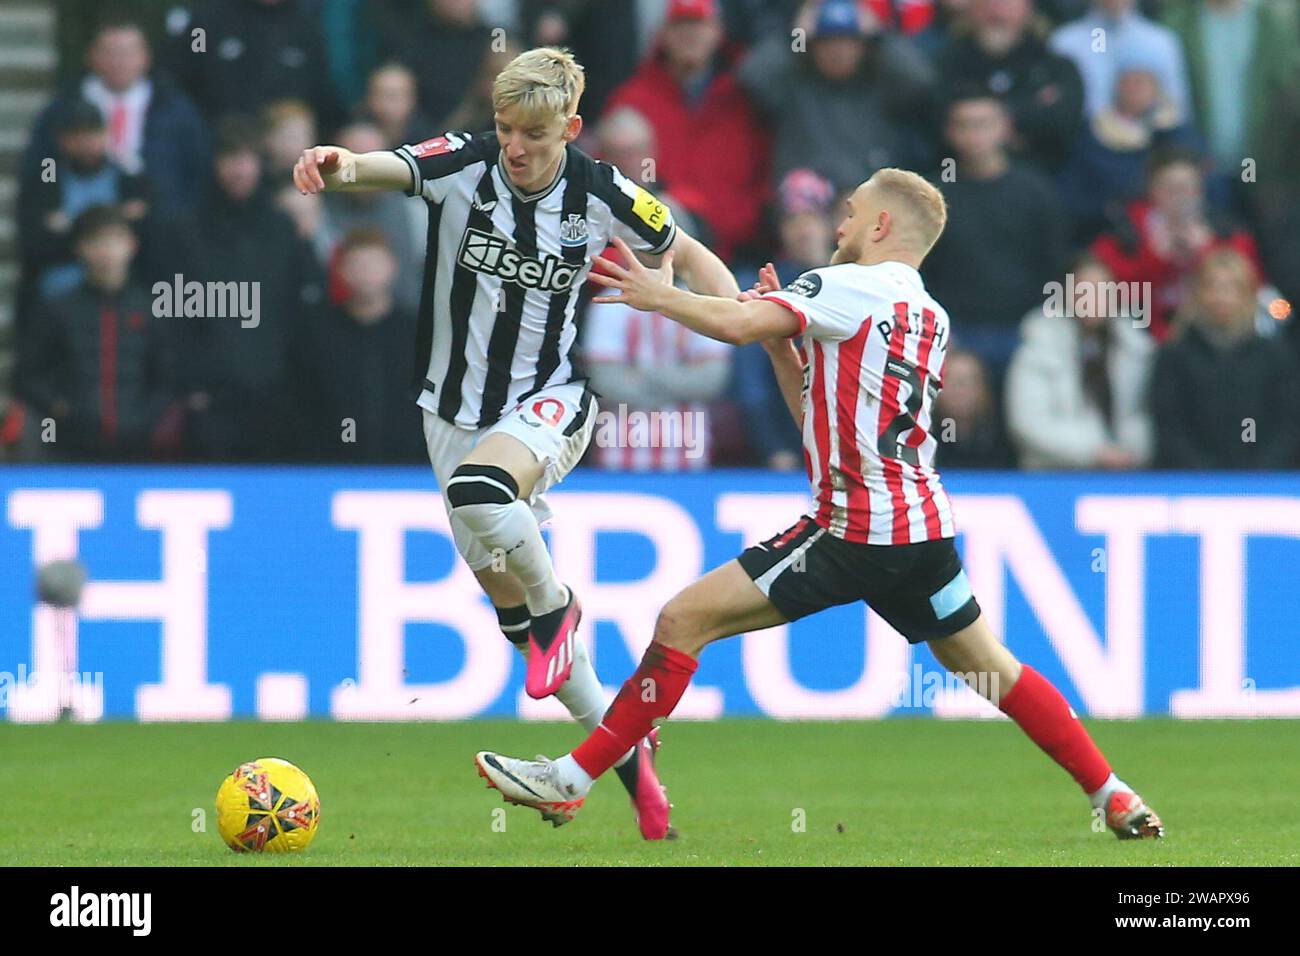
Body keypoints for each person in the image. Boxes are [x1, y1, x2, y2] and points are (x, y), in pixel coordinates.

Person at [475, 168, 1165, 842]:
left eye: (852, 210)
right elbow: (823, 421)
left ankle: (572, 775)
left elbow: (735, 322)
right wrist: (785, 347)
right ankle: (1114, 793)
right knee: (993, 668)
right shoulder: (928, 313)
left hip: (856, 528)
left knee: (682, 620)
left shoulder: (846, 285)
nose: (839, 224)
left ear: (881, 225)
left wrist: (662, 298)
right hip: (923, 528)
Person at [292, 47, 740, 840]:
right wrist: (335, 162)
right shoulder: (462, 162)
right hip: (449, 413)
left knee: (486, 503)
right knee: (517, 621)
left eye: (533, 133)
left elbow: (679, 241)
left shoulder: (601, 193)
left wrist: (731, 306)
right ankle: (636, 780)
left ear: (569, 127)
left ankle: (560, 610)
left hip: (550, 400)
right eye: (505, 130)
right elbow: (383, 168)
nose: (516, 147)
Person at [17, 206, 178, 461]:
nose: (106, 252)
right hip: (71, 447)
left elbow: (167, 377)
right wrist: (60, 407)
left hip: (139, 448)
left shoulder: (151, 310)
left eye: (114, 240)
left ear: (131, 246)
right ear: (80, 248)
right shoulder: (58, 309)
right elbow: (29, 374)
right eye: (96, 241)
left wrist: (146, 416)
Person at [1151, 248, 1300, 469]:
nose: (1221, 297)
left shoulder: (1274, 356)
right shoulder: (1174, 356)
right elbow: (1169, 426)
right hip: (1190, 483)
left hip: (1265, 484)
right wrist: (1203, 472)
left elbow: (1287, 425)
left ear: (1249, 295)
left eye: (1231, 288)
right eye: (1212, 287)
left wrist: (1260, 471)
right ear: (1197, 293)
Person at [1004, 253, 1155, 470]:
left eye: (1102, 290)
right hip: (1054, 476)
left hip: (1127, 477)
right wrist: (1094, 452)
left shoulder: (1138, 348)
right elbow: (1027, 422)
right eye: (1084, 290)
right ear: (1066, 294)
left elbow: (1147, 416)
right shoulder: (1038, 345)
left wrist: (1133, 450)